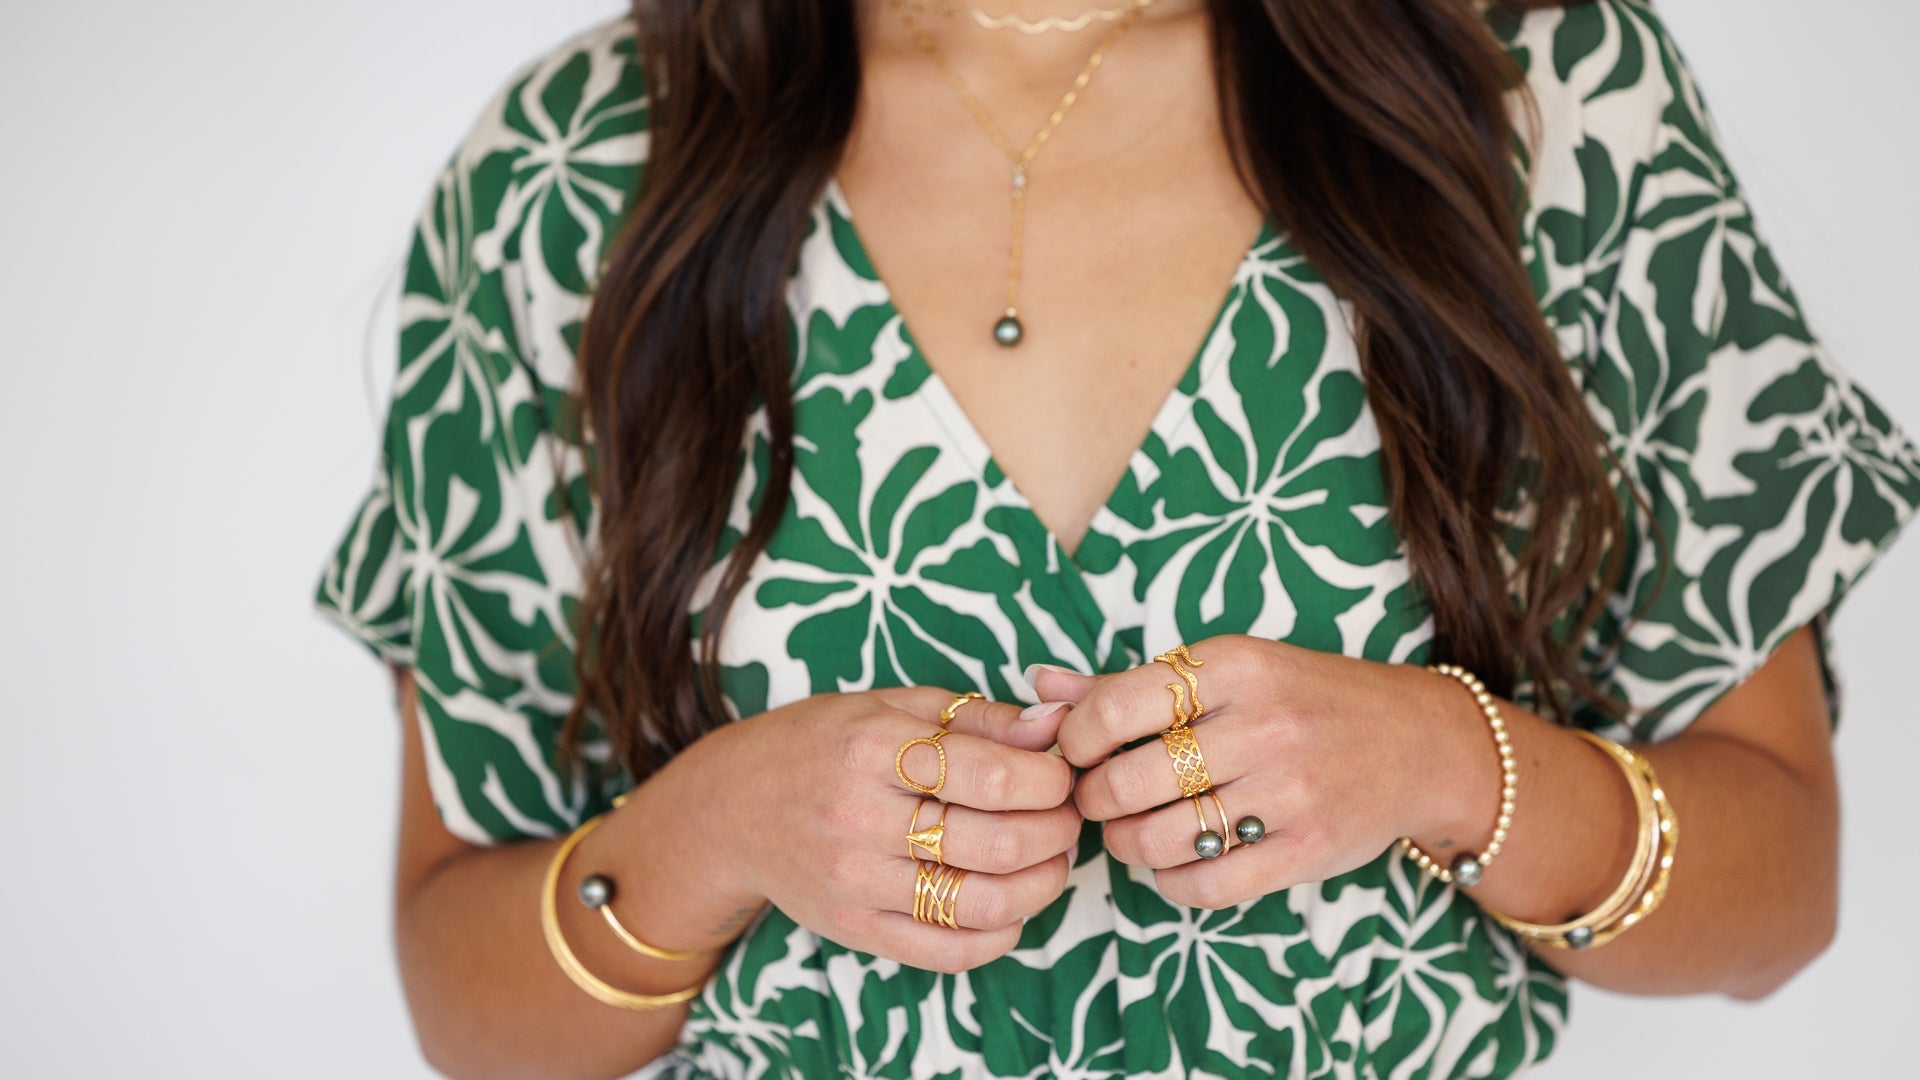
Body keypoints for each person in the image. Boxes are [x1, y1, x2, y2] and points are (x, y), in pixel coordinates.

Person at [311, 1, 1920, 1076]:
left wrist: (1447, 761)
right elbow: (463, 993)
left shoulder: (1541, 94)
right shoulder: (577, 169)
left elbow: (1781, 887)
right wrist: (716, 832)